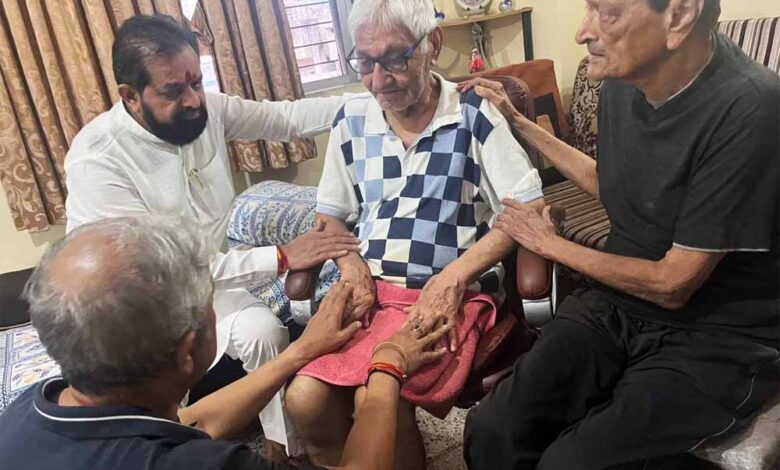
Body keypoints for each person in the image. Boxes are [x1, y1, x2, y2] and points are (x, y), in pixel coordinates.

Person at [460, 0, 780, 468]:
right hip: (618, 305)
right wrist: (519, 122)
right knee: (493, 430)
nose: (582, 32)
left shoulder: (751, 107)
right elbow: (612, 183)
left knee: (571, 462)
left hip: (717, 335)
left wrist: (552, 245)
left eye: (607, 12)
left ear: (679, 16)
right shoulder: (620, 83)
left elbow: (673, 283)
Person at [63, 14, 359, 456]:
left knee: (265, 332)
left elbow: (287, 118)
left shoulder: (208, 110)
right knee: (158, 408)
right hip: (135, 310)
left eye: (197, 82)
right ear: (130, 95)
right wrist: (280, 257)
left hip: (208, 289)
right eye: (173, 91)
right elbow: (165, 271)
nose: (193, 100)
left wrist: (380, 97)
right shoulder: (98, 160)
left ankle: (283, 451)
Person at [283, 1, 544, 469]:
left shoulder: (474, 114)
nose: (378, 79)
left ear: (432, 45)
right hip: (372, 293)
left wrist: (453, 277)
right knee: (304, 399)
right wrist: (351, 267)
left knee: (374, 397)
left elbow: (527, 210)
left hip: (451, 295)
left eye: (394, 59)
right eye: (365, 61)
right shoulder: (351, 119)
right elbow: (330, 217)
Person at [0, 215, 451, 470]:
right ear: (188, 351)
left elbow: (189, 421)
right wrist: (387, 368)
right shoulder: (204, 465)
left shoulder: (29, 410)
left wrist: (300, 351)